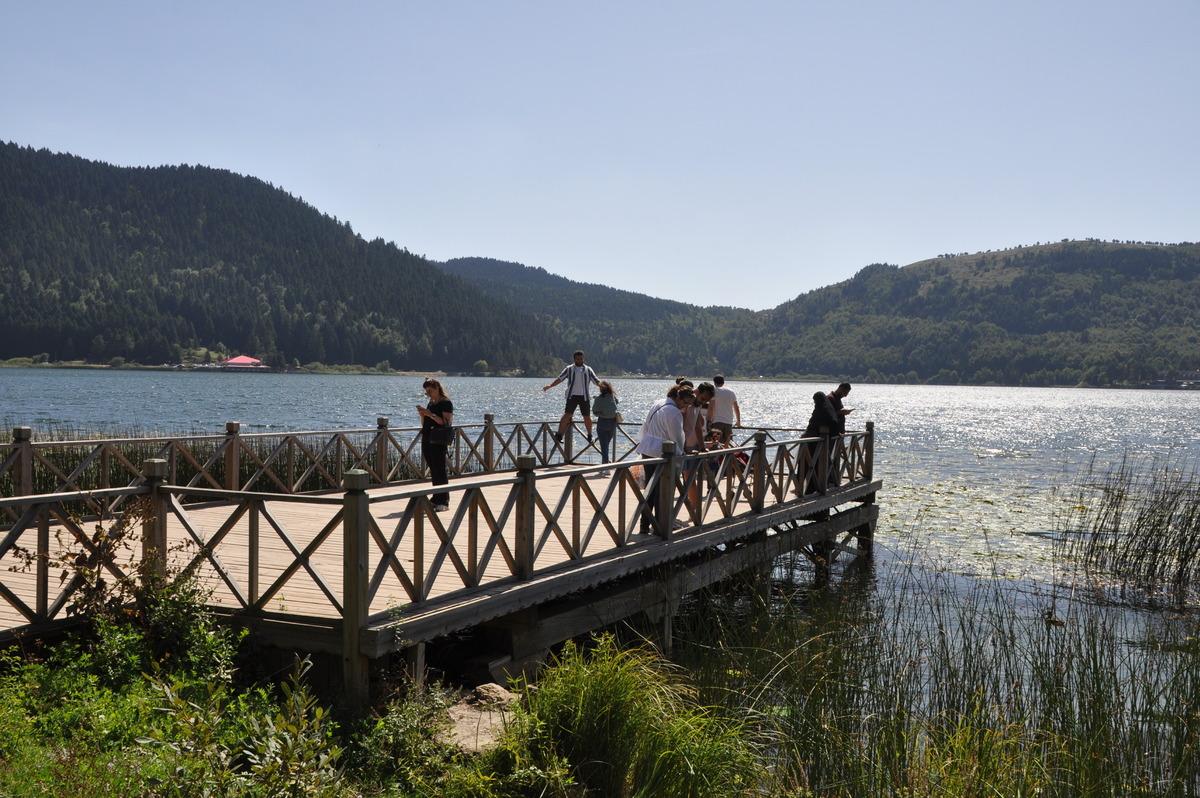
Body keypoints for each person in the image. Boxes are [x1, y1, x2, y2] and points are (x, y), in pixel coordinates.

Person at [634, 385, 690, 533]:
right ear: (678, 398)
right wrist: (681, 455)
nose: (684, 407)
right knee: (662, 492)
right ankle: (661, 526)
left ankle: (644, 526)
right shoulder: (674, 412)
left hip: (647, 449)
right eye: (684, 403)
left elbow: (646, 425)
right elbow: (677, 437)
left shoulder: (658, 403)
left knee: (650, 490)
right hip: (662, 453)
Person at [543, 350, 600, 444]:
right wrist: (550, 386)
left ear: (583, 359)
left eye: (581, 358)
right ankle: (559, 435)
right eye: (577, 359)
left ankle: (590, 435)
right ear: (574, 359)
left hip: (584, 397)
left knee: (587, 417)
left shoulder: (588, 369)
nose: (579, 360)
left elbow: (596, 380)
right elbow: (560, 378)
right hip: (572, 396)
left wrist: (605, 388)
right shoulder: (569, 368)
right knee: (567, 415)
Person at [417, 378, 454, 511]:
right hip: (427, 436)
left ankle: (444, 500)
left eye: (430, 391)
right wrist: (422, 415)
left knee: (440, 468)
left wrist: (430, 415)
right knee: (433, 468)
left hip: (438, 439)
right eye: (427, 392)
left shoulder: (446, 403)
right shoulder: (431, 403)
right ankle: (436, 497)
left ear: (437, 388)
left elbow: (446, 423)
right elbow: (424, 422)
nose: (429, 394)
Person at [804, 390, 841, 488]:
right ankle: (811, 484)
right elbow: (834, 424)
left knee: (810, 462)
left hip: (816, 442)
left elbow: (815, 423)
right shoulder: (827, 409)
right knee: (814, 462)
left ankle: (809, 485)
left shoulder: (821, 410)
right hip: (819, 441)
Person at [591, 380, 620, 465]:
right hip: (612, 423)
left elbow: (595, 412)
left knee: (604, 446)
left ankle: (605, 465)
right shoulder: (613, 397)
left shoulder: (598, 399)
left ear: (601, 389)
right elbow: (617, 402)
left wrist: (601, 412)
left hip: (602, 423)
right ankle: (606, 463)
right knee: (606, 445)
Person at [707, 375, 741, 443]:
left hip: (716, 422)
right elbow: (736, 407)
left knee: (716, 444)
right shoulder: (731, 392)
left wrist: (708, 420)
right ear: (723, 382)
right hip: (728, 422)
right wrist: (738, 421)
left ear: (714, 382)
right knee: (728, 444)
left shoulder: (714, 391)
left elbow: (711, 407)